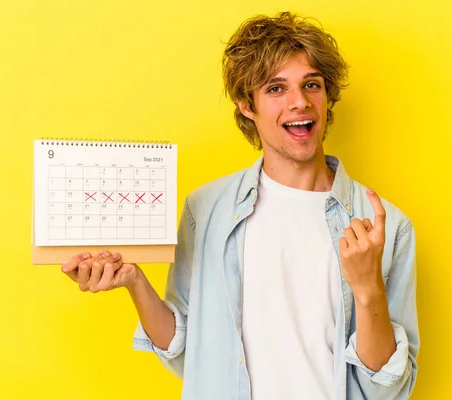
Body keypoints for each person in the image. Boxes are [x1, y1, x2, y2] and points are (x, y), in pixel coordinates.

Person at [61, 11, 419, 400]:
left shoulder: (385, 226)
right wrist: (134, 281)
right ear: (247, 104)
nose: (299, 102)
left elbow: (385, 388)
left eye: (311, 84)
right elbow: (186, 354)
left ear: (327, 96)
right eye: (276, 89)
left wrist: (367, 290)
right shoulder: (205, 210)